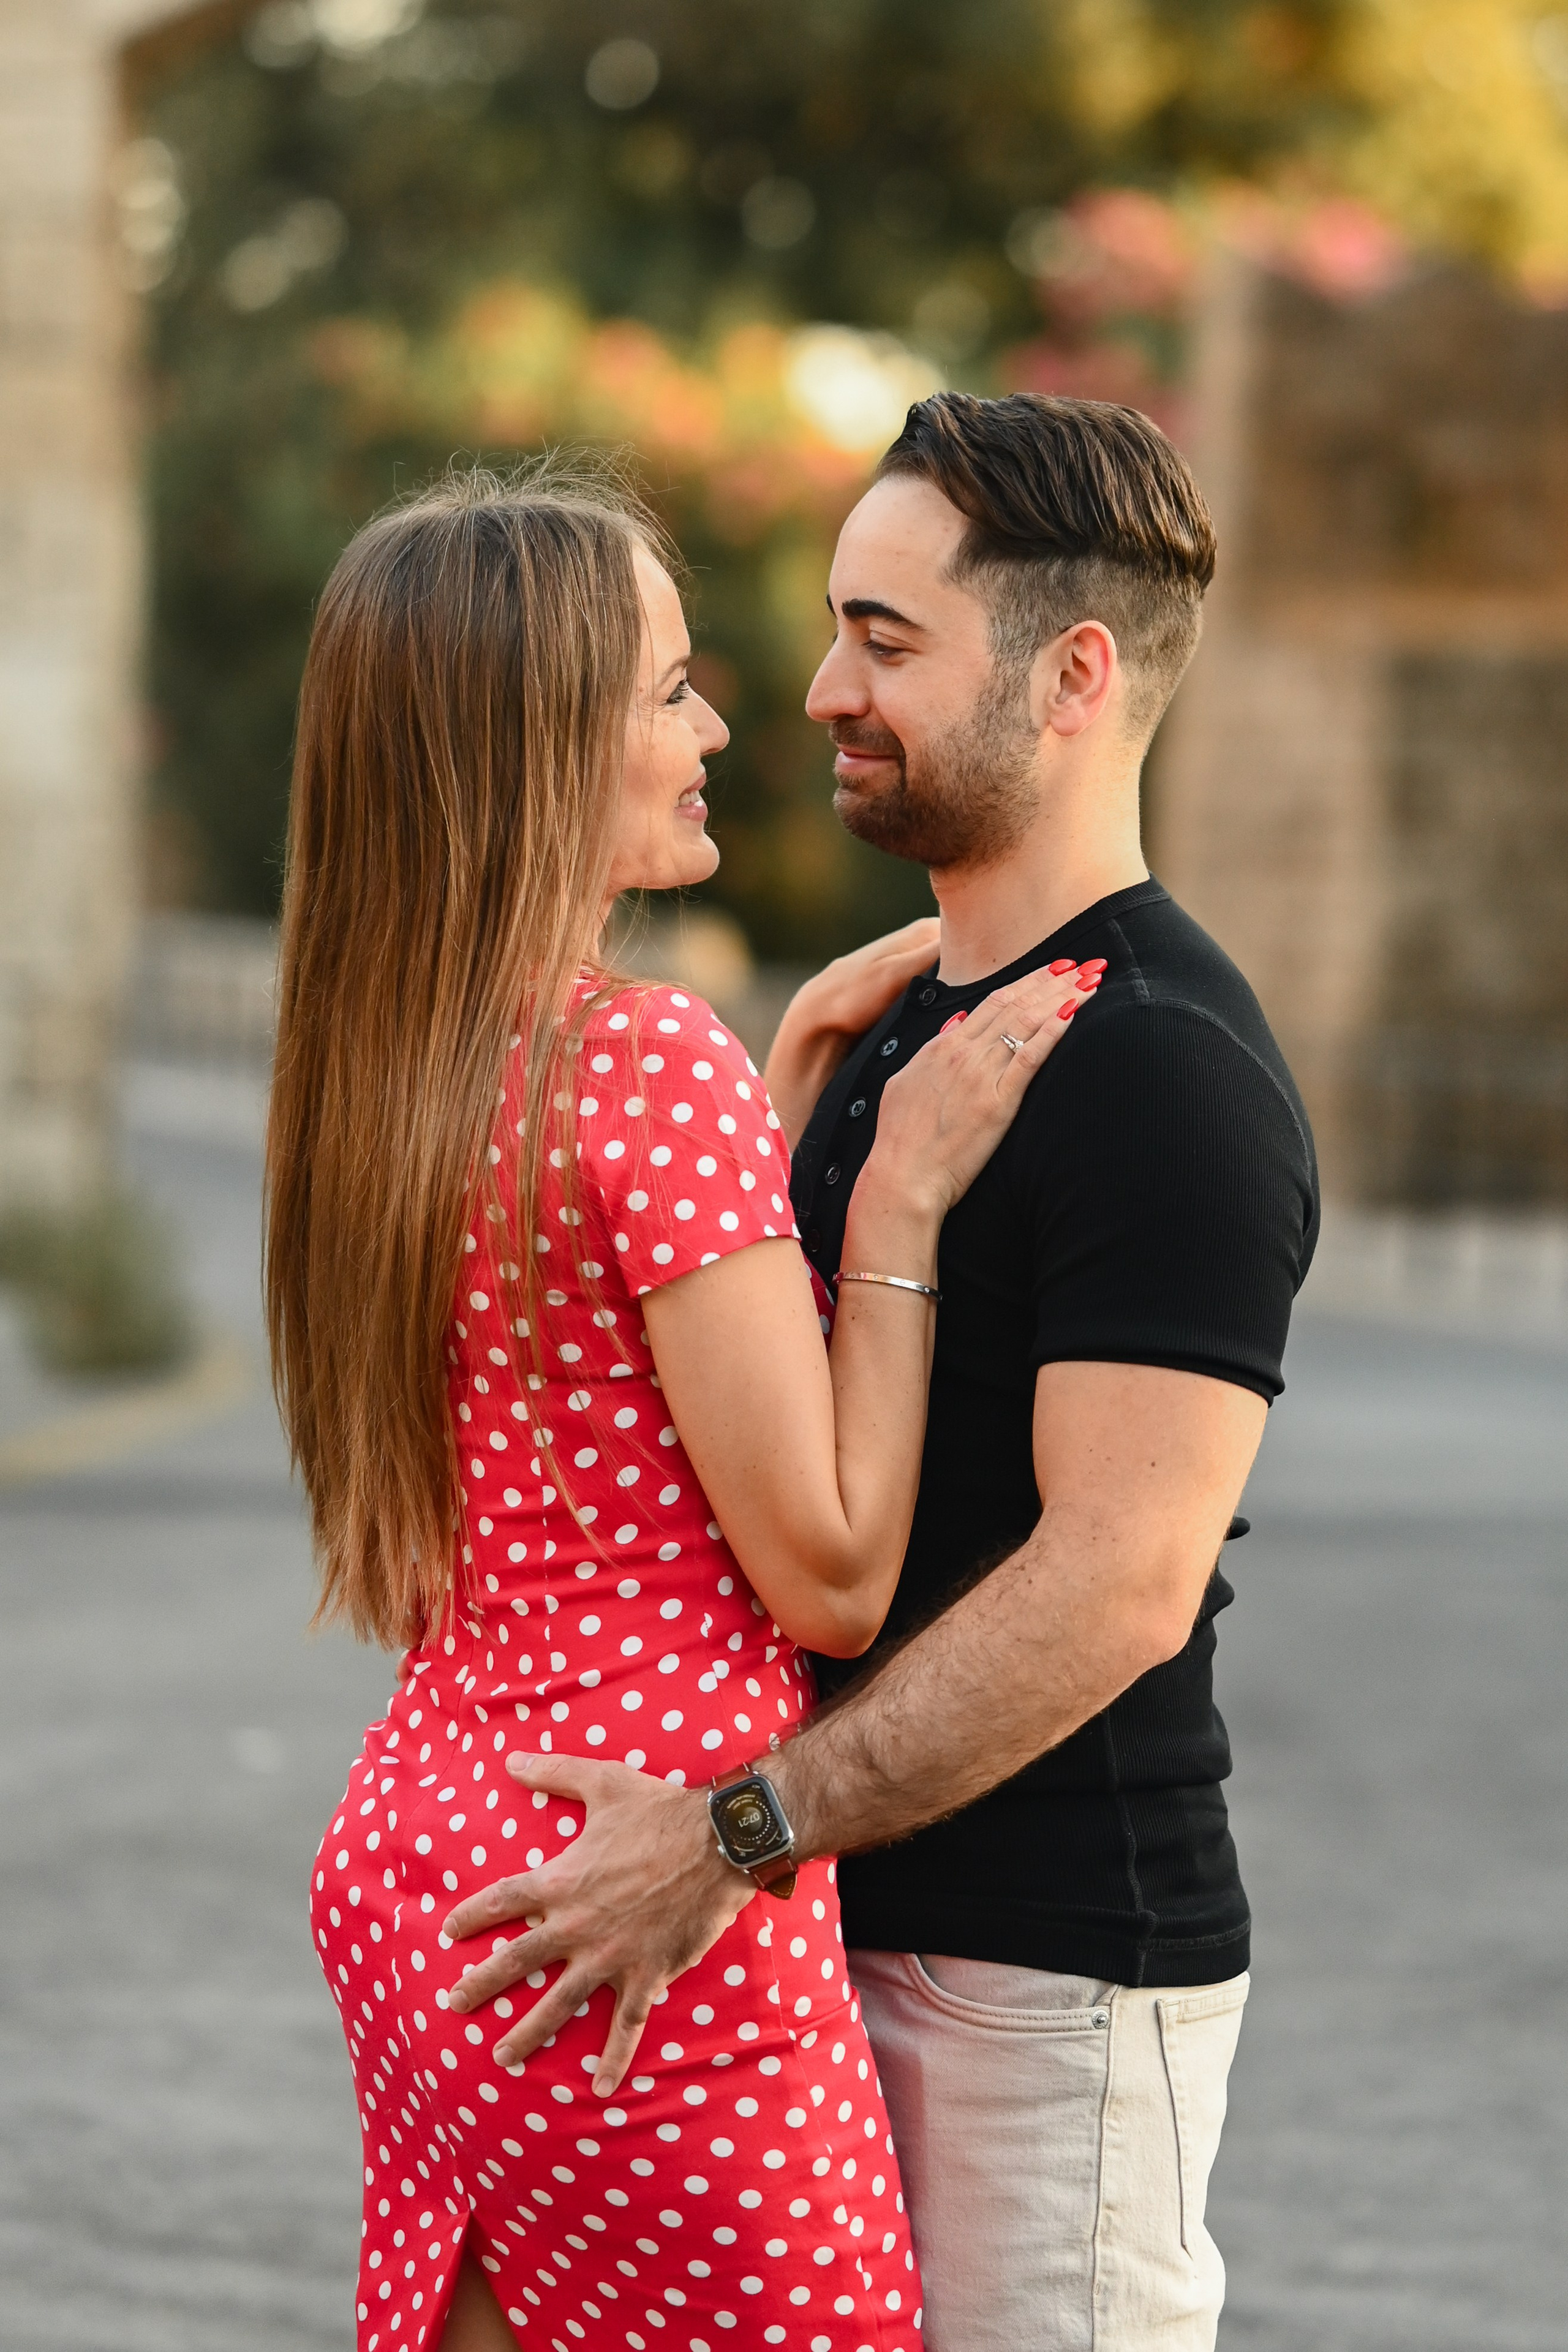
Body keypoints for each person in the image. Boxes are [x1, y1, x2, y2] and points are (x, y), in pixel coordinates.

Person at [440, 394, 1322, 2351]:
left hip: (1043, 1994)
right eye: (841, 625)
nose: (826, 684)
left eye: (889, 640)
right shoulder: (882, 1037)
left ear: (1074, 674)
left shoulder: (1160, 1065)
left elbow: (1117, 1587)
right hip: (812, 1950)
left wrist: (738, 1830)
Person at [263, 460, 1095, 2352]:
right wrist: (888, 1205)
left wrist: (779, 1107)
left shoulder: (381, 1082)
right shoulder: (642, 1061)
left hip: (430, 1876)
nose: (719, 723)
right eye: (665, 689)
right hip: (632, 1903)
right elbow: (824, 1572)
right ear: (541, 742)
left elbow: (583, 1405)